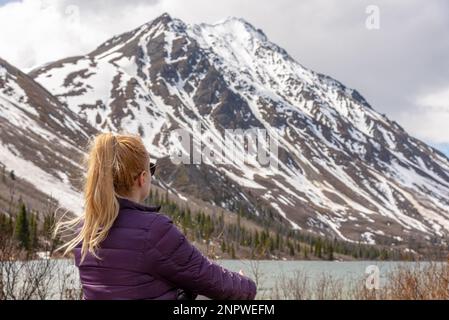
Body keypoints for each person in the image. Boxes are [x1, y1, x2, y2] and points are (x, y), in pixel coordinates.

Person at [55, 133, 257, 300]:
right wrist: (247, 286)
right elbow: (209, 278)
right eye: (151, 169)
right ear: (142, 178)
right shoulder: (153, 230)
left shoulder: (85, 230)